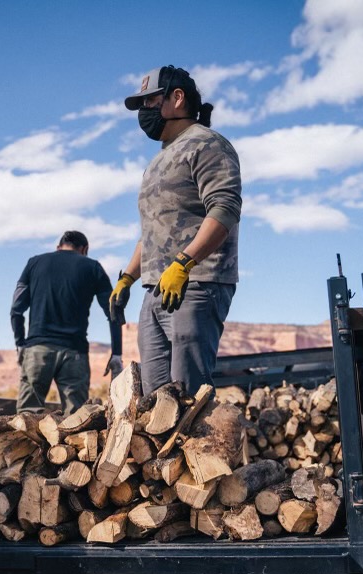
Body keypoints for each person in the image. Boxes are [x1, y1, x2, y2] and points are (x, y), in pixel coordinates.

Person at [110, 65, 242, 396]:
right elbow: (152, 231)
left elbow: (224, 210)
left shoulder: (207, 144)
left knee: (187, 394)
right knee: (156, 401)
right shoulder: (158, 161)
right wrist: (127, 278)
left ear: (177, 98)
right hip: (156, 288)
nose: (144, 112)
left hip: (197, 284)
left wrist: (184, 263)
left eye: (149, 101)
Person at [11, 230, 124, 415]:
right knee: (76, 420)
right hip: (75, 353)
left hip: (38, 350)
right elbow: (114, 311)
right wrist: (117, 354)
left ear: (58, 248)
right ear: (84, 249)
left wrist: (20, 343)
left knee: (26, 418)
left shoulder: (34, 263)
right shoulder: (93, 267)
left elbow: (16, 309)